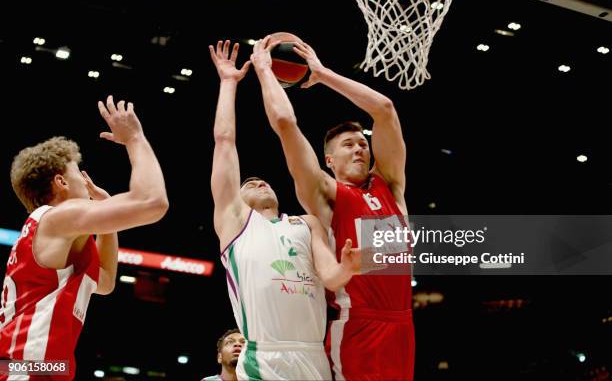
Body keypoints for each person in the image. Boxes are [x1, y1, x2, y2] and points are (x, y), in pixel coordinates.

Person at [251, 35, 414, 380]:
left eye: (362, 143)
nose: (359, 149)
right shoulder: (326, 194)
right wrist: (265, 72)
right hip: (358, 327)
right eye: (348, 144)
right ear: (329, 159)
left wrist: (323, 74)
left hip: (403, 327)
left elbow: (384, 108)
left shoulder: (392, 186)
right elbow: (285, 124)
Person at [209, 39, 360, 380]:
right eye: (249, 183)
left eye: (263, 180)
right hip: (266, 357)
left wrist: (347, 268)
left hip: (313, 356)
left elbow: (331, 276)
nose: (259, 181)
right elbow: (224, 141)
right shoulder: (235, 222)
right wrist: (229, 83)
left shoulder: (306, 223)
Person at [0, 96, 169, 380]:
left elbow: (104, 282)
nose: (84, 178)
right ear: (61, 182)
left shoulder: (52, 231)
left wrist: (107, 222)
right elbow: (153, 202)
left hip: (25, 365)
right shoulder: (59, 217)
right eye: (77, 171)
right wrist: (135, 139)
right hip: (26, 367)